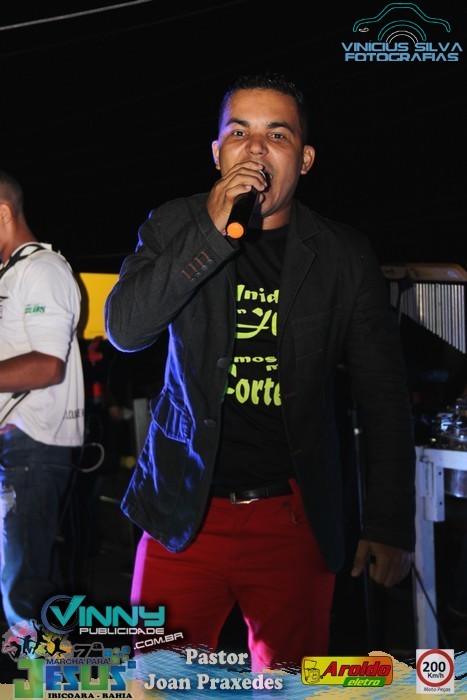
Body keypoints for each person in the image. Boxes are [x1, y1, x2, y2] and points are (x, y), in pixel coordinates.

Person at [104, 72, 416, 671]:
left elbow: (382, 393)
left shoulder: (342, 254)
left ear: (305, 158)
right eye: (238, 132)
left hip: (292, 517)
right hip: (183, 508)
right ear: (217, 153)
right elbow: (126, 329)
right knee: (158, 679)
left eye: (277, 134)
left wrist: (389, 522)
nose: (254, 148)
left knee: (289, 683)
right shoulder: (173, 225)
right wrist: (209, 231)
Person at [0, 170, 85, 627]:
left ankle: (46, 670)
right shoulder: (12, 274)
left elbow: (48, 365)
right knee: (20, 583)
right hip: (17, 447)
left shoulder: (43, 269)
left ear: (3, 214)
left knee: (26, 590)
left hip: (33, 447)